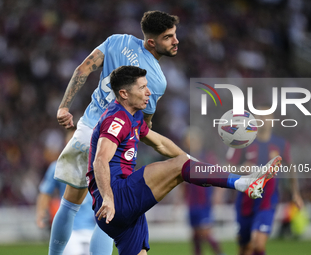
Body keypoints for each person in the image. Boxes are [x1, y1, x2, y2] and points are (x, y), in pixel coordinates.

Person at [86, 65, 282, 255]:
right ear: (124, 94)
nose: (148, 92)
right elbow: (100, 161)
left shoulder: (134, 116)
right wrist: (109, 199)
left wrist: (191, 162)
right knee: (180, 167)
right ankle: (243, 182)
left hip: (120, 213)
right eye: (142, 87)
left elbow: (161, 144)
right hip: (116, 197)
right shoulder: (117, 119)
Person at [49, 10, 180, 255]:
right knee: (111, 208)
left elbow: (82, 70)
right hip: (114, 141)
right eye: (169, 37)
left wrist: (64, 107)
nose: (175, 41)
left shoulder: (116, 40)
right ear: (152, 42)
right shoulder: (157, 80)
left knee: (69, 205)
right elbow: (143, 123)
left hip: (86, 132)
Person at [226, 106, 304, 255]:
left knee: (258, 242)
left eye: (267, 116)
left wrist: (296, 193)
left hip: (267, 200)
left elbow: (291, 168)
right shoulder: (244, 141)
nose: (263, 119)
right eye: (260, 116)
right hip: (245, 199)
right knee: (244, 247)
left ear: (272, 119)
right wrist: (242, 168)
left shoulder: (280, 144)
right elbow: (229, 168)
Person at [36, 160, 113, 255]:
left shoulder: (99, 164)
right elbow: (46, 192)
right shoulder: (59, 165)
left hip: (93, 227)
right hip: (70, 229)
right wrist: (41, 212)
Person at [183, 127, 226, 255]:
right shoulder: (185, 159)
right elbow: (182, 183)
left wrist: (218, 194)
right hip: (192, 202)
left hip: (204, 201)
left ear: (198, 141)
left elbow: (219, 175)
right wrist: (180, 198)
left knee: (205, 233)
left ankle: (220, 253)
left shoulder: (207, 157)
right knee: (195, 234)